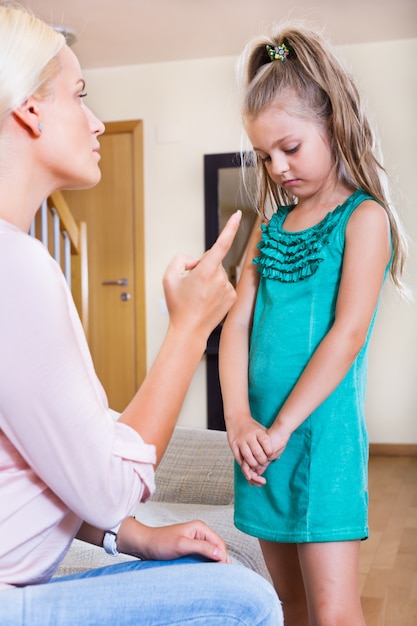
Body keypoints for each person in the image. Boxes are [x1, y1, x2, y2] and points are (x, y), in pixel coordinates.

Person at [0, 5, 283, 625]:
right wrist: (189, 329)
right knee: (246, 604)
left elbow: (44, 464)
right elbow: (109, 483)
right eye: (80, 95)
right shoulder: (16, 269)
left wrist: (126, 536)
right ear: (28, 110)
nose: (97, 122)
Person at [219, 24, 408, 626]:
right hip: (260, 450)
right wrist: (240, 421)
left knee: (333, 611)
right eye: (265, 155)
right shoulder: (268, 228)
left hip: (321, 443)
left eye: (290, 148)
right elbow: (234, 328)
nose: (276, 167)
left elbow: (347, 334)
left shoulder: (364, 219)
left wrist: (281, 430)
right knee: (286, 607)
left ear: (332, 123)